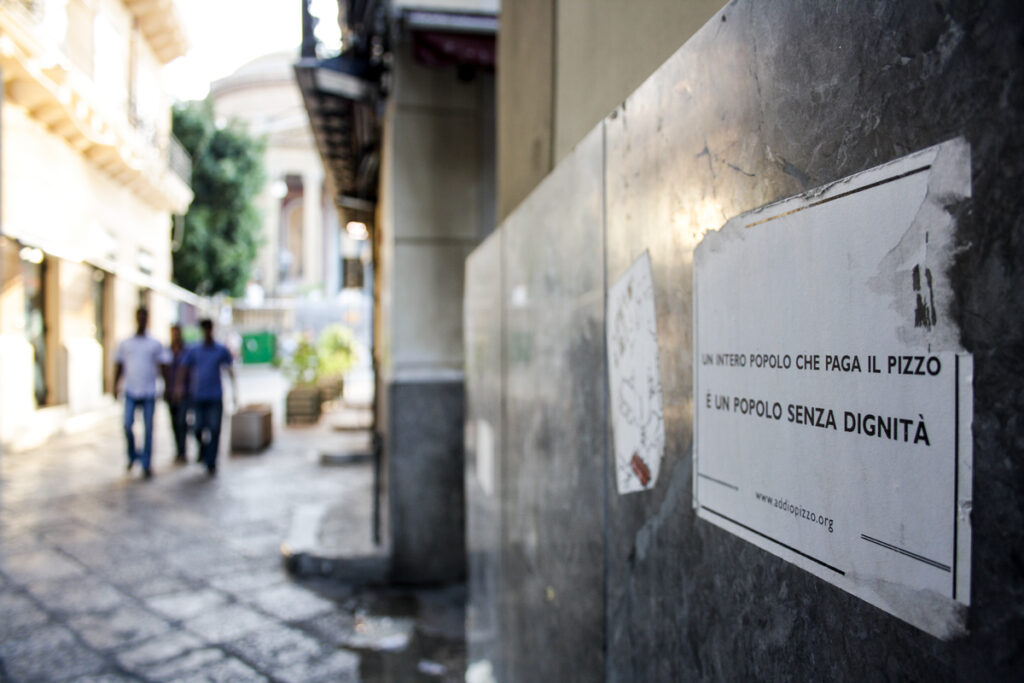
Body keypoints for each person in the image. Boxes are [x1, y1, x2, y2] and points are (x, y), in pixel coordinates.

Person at [114, 308, 169, 479]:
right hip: (131, 391)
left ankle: (146, 463)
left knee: (148, 429)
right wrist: (114, 386)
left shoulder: (154, 343)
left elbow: (163, 366)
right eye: (139, 316)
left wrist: (166, 387)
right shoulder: (126, 343)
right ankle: (132, 455)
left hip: (148, 392)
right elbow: (119, 365)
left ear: (148, 319)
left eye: (144, 317)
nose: (142, 320)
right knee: (127, 425)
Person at [177, 318, 237, 475]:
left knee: (215, 429)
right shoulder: (194, 350)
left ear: (212, 330)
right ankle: (204, 450)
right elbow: (184, 368)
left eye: (209, 329)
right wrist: (179, 387)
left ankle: (211, 461)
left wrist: (235, 391)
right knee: (197, 428)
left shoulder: (220, 349)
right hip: (198, 396)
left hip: (215, 396)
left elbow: (230, 369)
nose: (207, 332)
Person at [164, 324, 190, 464]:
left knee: (182, 421)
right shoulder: (167, 351)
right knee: (174, 423)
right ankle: (178, 450)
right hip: (170, 393)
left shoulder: (187, 351)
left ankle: (183, 450)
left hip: (184, 393)